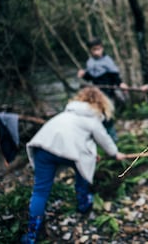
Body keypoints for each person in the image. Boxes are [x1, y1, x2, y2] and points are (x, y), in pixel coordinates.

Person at [21, 86, 126, 244]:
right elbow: (104, 139)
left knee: (40, 191)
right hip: (69, 152)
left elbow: (77, 138)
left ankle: (32, 233)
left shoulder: (65, 114)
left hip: (43, 149)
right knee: (83, 174)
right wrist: (115, 154)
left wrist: (91, 153)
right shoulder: (92, 118)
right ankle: (84, 204)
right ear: (101, 104)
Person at [77, 37, 128, 141]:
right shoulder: (90, 62)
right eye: (94, 50)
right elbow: (90, 76)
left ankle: (113, 137)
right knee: (97, 113)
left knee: (107, 113)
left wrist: (120, 84)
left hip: (107, 91)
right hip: (96, 92)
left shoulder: (107, 61)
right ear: (90, 50)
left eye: (99, 49)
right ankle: (101, 136)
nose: (97, 52)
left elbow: (114, 75)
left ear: (102, 48)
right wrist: (84, 74)